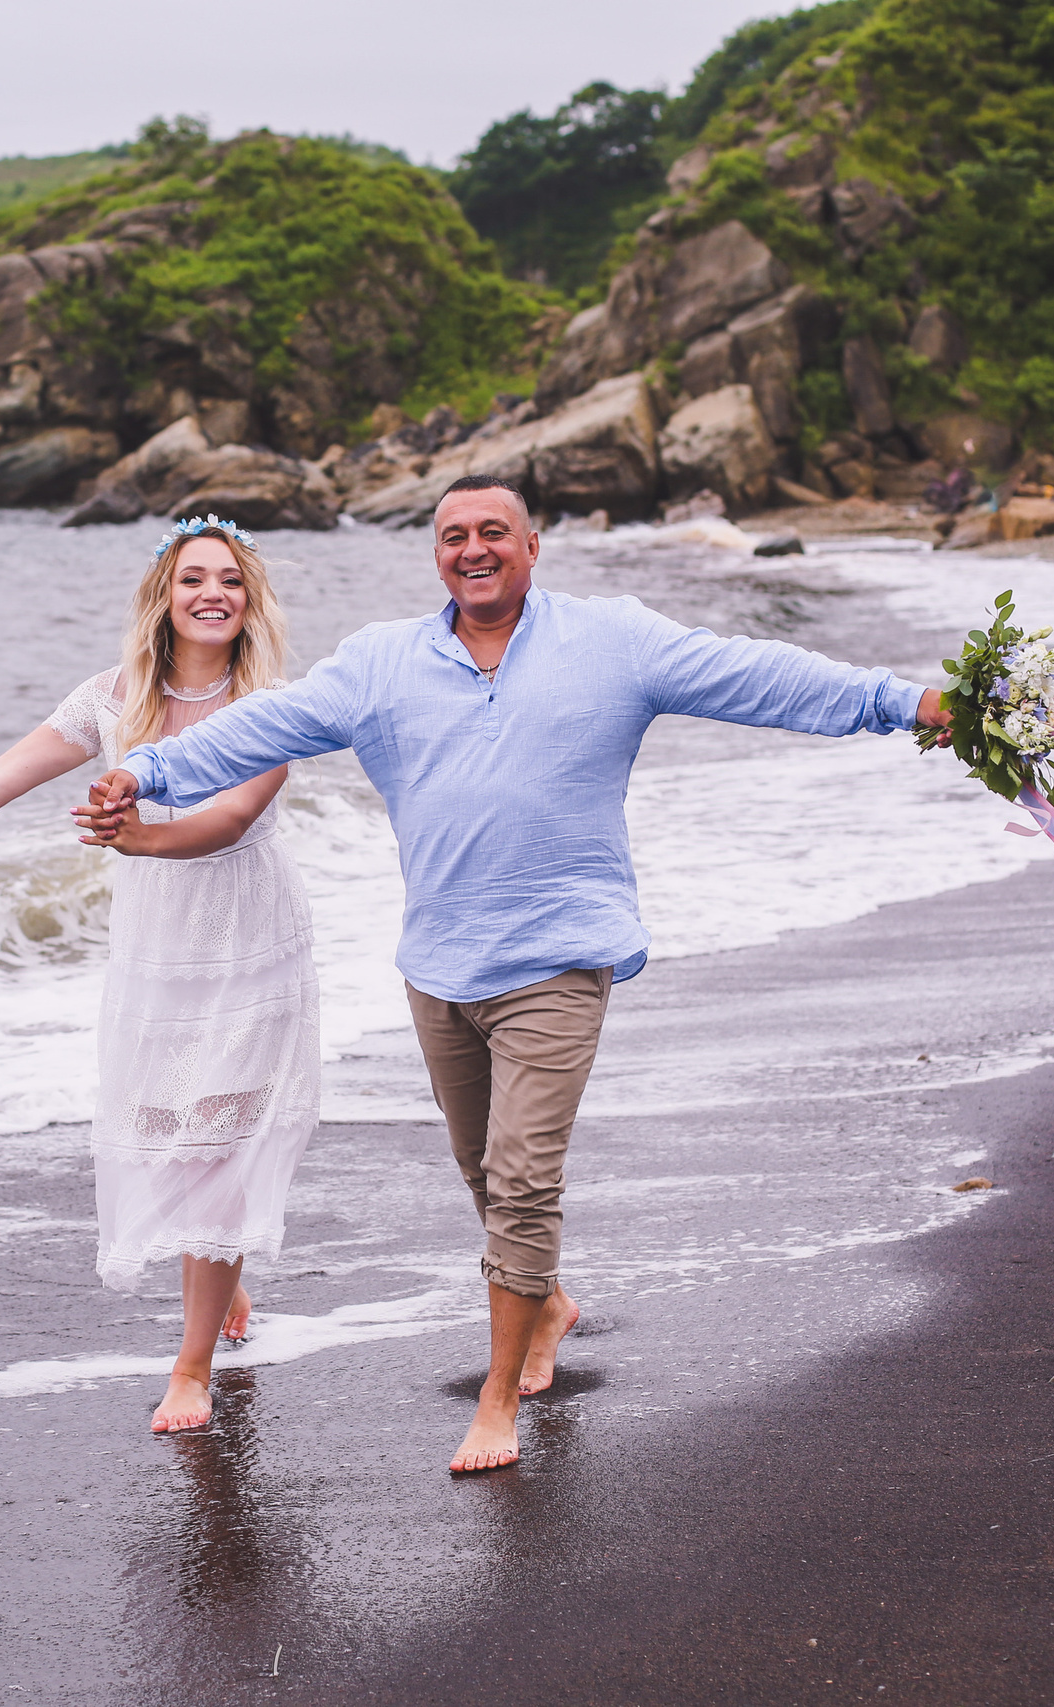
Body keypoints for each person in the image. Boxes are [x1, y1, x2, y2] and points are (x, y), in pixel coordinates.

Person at [84, 475, 954, 1473]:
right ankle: (547, 1305)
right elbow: (263, 726)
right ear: (436, 556)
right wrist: (146, 772)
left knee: (524, 1181)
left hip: (560, 954)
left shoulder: (612, 640)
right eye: (453, 535)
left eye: (494, 531)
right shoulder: (381, 662)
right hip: (440, 965)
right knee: (485, 1174)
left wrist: (905, 703)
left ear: (532, 546)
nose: (474, 548)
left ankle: (497, 1402)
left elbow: (762, 677)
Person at [0, 516, 319, 1435]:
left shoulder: (271, 702)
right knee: (170, 1125)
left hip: (247, 933)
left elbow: (232, 818)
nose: (213, 594)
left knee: (218, 1138)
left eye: (230, 580)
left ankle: (191, 1364)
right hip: (158, 941)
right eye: (193, 578)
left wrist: (142, 837)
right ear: (163, 595)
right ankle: (221, 1279)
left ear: (251, 601)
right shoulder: (112, 698)